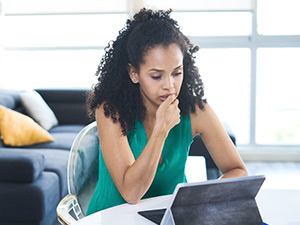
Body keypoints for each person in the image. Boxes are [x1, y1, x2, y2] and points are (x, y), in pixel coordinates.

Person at [86, 8, 248, 215]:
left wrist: (201, 201)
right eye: (156, 76)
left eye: (176, 73)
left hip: (171, 218)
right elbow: (132, 193)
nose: (170, 86)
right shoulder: (111, 111)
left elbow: (238, 171)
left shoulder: (196, 110)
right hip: (113, 217)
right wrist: (161, 129)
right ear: (134, 73)